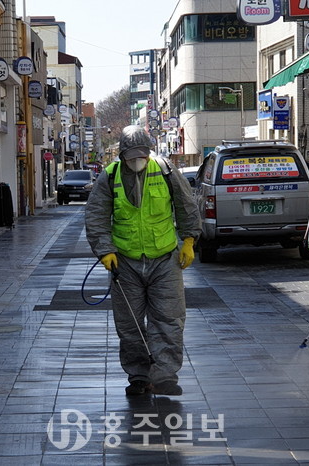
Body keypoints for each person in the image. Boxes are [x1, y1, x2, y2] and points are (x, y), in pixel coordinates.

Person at [85, 125, 201, 396]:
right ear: (122, 154)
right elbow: (96, 215)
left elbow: (186, 206)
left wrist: (188, 241)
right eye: (132, 155)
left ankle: (164, 376)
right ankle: (138, 375)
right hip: (125, 262)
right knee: (130, 323)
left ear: (148, 152)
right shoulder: (110, 176)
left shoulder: (164, 170)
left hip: (165, 259)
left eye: (142, 154)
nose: (137, 160)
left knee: (169, 319)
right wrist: (105, 250)